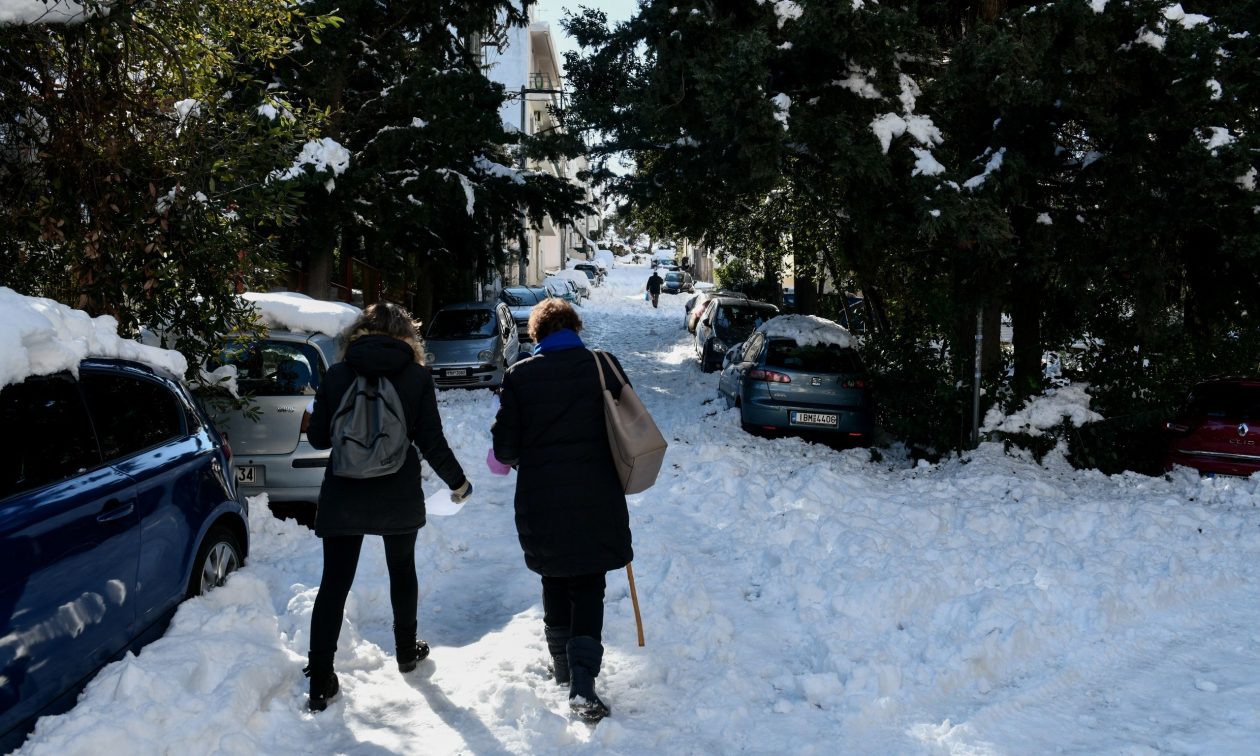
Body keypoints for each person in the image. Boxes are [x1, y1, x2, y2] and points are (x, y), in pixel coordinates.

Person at [303, 302, 472, 712]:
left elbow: (319, 440)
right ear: (404, 334)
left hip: (344, 492)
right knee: (402, 571)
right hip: (397, 492)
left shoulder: (338, 374)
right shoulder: (416, 376)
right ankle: (405, 651)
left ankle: (321, 679)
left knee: (334, 584)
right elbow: (431, 439)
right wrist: (458, 481)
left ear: (361, 330)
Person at [490, 298, 633, 723]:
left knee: (554, 576)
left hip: (541, 500)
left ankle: (562, 666)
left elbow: (505, 448)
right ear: (576, 327)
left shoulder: (519, 377)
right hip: (596, 495)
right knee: (588, 583)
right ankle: (583, 683)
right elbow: (627, 424)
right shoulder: (603, 367)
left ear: (536, 335)